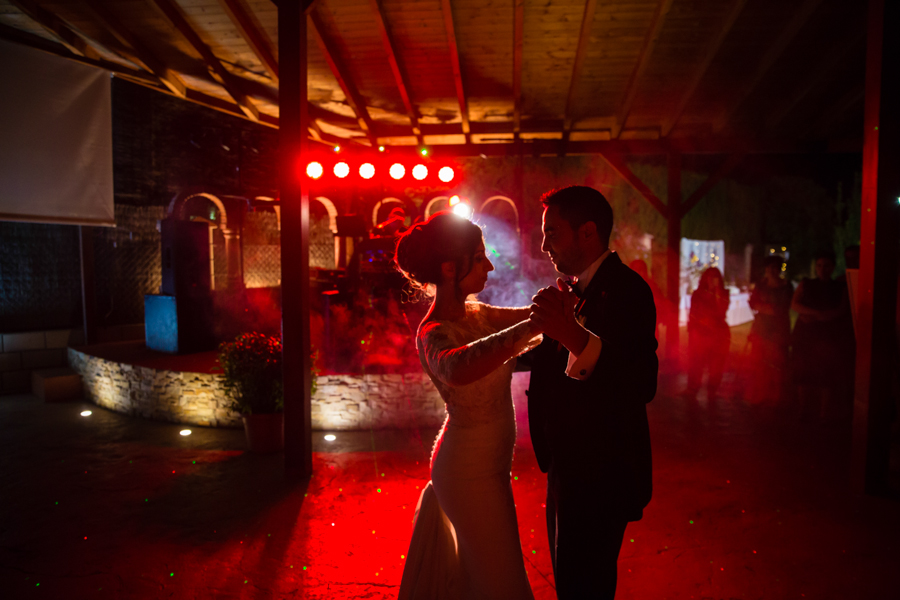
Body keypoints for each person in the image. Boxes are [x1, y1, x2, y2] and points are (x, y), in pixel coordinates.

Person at [394, 211, 542, 600]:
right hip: (464, 472)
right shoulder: (432, 332)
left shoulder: (479, 314)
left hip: (490, 467)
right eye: (479, 258)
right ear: (448, 268)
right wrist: (533, 327)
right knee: (502, 581)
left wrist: (556, 306)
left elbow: (532, 320)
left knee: (486, 578)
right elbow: (458, 367)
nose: (490, 266)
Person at [527, 186, 658, 600]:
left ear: (587, 232)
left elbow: (641, 382)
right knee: (570, 580)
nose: (544, 244)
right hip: (567, 466)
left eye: (553, 232)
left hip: (603, 469)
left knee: (588, 585)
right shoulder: (571, 289)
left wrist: (573, 336)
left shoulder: (628, 289)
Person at [791, 251, 847, 422]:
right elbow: (795, 304)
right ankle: (803, 409)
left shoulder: (839, 287)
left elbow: (839, 311)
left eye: (826, 266)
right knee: (804, 372)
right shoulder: (807, 283)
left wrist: (813, 315)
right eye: (819, 266)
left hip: (826, 336)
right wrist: (817, 313)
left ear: (833, 267)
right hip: (806, 334)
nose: (822, 269)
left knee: (826, 373)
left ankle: (823, 412)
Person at [747, 255, 793, 404]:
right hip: (761, 329)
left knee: (777, 363)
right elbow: (753, 303)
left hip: (778, 330)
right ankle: (761, 392)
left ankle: (776, 395)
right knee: (760, 362)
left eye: (775, 267)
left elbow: (781, 308)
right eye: (769, 268)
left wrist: (763, 307)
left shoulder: (786, 286)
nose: (772, 271)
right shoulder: (761, 285)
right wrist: (767, 308)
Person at [684, 267, 731, 400]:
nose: (711, 279)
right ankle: (692, 388)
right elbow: (693, 314)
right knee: (696, 362)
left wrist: (716, 290)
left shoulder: (723, 293)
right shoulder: (698, 294)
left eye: (714, 277)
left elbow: (722, 310)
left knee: (716, 365)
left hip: (718, 334)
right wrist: (693, 330)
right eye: (709, 276)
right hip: (700, 333)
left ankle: (712, 391)